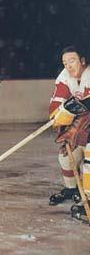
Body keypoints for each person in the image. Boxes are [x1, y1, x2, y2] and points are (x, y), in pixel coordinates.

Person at [49, 46, 90, 219]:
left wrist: (74, 126)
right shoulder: (65, 77)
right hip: (84, 125)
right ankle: (72, 188)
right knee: (66, 155)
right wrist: (61, 126)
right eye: (65, 63)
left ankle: (88, 199)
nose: (68, 66)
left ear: (82, 61)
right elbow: (55, 106)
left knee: (89, 156)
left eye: (72, 61)